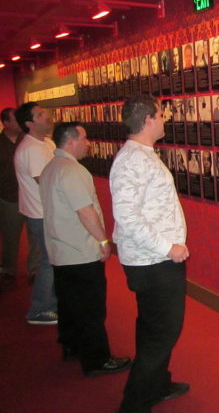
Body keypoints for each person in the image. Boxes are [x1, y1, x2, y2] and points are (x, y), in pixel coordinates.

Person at [109, 94, 190, 412]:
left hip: (155, 260)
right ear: (147, 120)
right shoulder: (132, 160)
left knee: (152, 327)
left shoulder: (141, 154)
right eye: (160, 114)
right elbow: (127, 217)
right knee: (163, 331)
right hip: (154, 262)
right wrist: (167, 247)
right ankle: (135, 402)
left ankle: (157, 384)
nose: (164, 118)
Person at [40, 122, 131, 375]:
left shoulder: (51, 167)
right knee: (91, 308)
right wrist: (103, 241)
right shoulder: (72, 171)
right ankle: (97, 360)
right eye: (84, 138)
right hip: (80, 252)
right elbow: (85, 211)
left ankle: (71, 346)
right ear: (70, 141)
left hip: (60, 251)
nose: (88, 143)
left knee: (69, 304)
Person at [14, 101, 57, 325]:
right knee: (48, 261)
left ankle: (51, 302)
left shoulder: (47, 143)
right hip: (40, 214)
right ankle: (39, 309)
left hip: (48, 212)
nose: (46, 116)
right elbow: (47, 182)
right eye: (40, 115)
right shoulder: (31, 149)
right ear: (29, 123)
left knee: (53, 259)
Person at [0, 108, 24, 287]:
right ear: (6, 123)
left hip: (30, 196)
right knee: (10, 237)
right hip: (9, 197)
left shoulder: (27, 140)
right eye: (16, 119)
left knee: (36, 236)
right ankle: (8, 270)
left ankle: (35, 270)